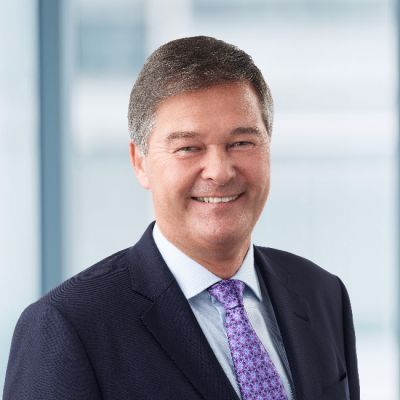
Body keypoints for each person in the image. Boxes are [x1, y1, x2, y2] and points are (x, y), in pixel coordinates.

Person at [4, 36, 359, 400]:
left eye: (241, 143)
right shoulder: (68, 327)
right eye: (189, 148)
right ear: (139, 161)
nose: (220, 172)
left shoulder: (321, 294)